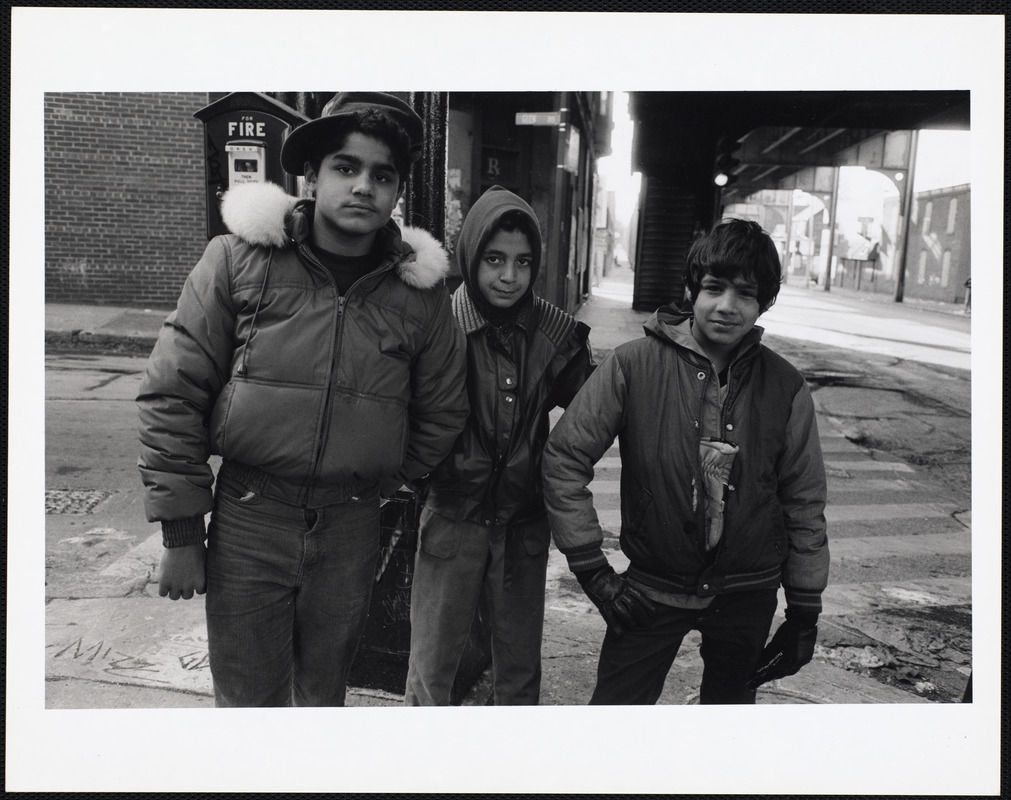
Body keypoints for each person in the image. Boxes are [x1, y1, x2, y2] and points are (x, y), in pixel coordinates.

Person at [137, 92, 469, 707]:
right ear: (311, 175)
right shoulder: (238, 260)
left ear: (398, 192)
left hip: (350, 527)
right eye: (346, 167)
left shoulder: (421, 297)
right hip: (249, 519)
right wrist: (183, 532)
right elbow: (172, 392)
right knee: (248, 703)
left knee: (322, 699)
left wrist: (381, 474)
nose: (364, 186)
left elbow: (443, 409)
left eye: (383, 175)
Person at [542, 217, 829, 705]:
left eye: (746, 294)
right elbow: (564, 459)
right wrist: (593, 570)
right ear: (692, 289)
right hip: (651, 589)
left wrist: (804, 611)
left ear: (766, 303)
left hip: (748, 593)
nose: (727, 306)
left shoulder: (786, 385)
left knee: (725, 731)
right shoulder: (633, 365)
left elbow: (803, 501)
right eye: (714, 288)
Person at [404, 186, 595, 705]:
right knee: (432, 667)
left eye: (523, 262)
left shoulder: (553, 331)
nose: (509, 276)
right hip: (452, 518)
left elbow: (597, 410)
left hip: (523, 527)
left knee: (517, 670)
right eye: (494, 259)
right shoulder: (440, 325)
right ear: (471, 257)